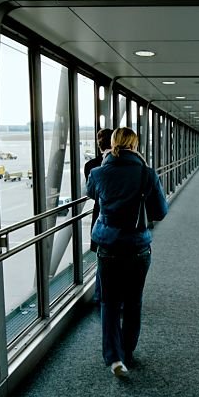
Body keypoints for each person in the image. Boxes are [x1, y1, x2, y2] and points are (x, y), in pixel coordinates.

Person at [85, 127, 168, 377]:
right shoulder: (147, 174)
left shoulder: (98, 173)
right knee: (133, 302)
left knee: (109, 303)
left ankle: (114, 358)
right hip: (138, 247)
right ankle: (128, 352)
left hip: (108, 247)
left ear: (112, 144)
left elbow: (91, 194)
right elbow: (160, 212)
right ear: (135, 145)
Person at [83, 128, 112, 305]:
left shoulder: (91, 167)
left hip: (100, 216)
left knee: (102, 259)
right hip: (126, 222)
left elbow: (92, 193)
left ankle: (100, 295)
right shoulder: (138, 167)